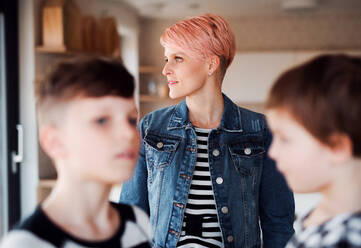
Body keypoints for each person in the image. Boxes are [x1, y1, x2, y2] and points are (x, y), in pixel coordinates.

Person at [119, 13, 295, 248]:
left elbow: (278, 225)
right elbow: (131, 218)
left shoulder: (260, 130)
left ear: (211, 64)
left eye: (178, 58)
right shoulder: (151, 128)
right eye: (166, 59)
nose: (166, 70)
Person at [0, 57, 152, 248]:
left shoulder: (137, 223)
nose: (128, 133)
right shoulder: (26, 244)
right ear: (54, 142)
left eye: (131, 120)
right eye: (102, 121)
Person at [265, 54, 361, 248]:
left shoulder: (346, 240)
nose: (272, 152)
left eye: (285, 139)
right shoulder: (322, 215)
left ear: (337, 147)